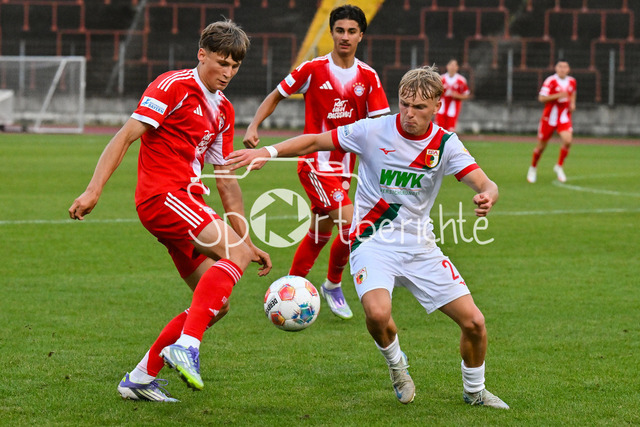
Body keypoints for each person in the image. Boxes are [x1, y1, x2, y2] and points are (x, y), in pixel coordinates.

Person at [227, 66, 509, 408]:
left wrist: (487, 195)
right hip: (372, 242)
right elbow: (315, 140)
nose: (409, 113)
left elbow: (485, 182)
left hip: (420, 246)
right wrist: (267, 152)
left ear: (437, 105)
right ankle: (397, 366)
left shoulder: (445, 144)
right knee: (377, 313)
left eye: (419, 107)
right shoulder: (373, 130)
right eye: (404, 104)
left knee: (475, 322)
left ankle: (475, 391)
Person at [68, 20, 272, 402]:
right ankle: (188, 346)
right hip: (163, 196)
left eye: (234, 66)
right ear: (202, 54)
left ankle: (139, 378)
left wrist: (244, 238)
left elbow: (226, 182)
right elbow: (125, 136)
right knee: (235, 257)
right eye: (222, 62)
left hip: (188, 202)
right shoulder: (173, 87)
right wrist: (94, 189)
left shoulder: (224, 110)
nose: (227, 72)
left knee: (217, 305)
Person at [243, 4, 390, 320]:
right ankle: (333, 284)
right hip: (314, 166)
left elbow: (381, 127)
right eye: (339, 30)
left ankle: (286, 292)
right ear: (332, 33)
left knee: (319, 234)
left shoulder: (368, 76)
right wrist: (254, 125)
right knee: (355, 226)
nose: (345, 37)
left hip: (345, 169)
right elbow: (276, 95)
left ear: (361, 36)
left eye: (351, 31)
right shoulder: (312, 69)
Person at [527, 60, 577, 183]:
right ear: (556, 68)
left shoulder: (572, 81)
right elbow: (541, 98)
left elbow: (573, 93)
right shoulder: (550, 81)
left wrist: (572, 103)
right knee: (541, 147)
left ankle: (559, 166)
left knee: (568, 141)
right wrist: (557, 95)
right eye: (560, 66)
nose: (562, 69)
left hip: (564, 117)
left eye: (565, 67)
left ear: (568, 69)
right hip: (549, 118)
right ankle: (533, 168)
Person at [435, 58, 470, 132]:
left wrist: (458, 96)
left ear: (457, 67)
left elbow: (466, 95)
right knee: (439, 131)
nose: (452, 67)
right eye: (451, 65)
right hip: (441, 109)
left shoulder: (461, 80)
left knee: (450, 132)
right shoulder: (441, 79)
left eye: (454, 65)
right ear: (447, 66)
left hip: (453, 110)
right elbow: (435, 93)